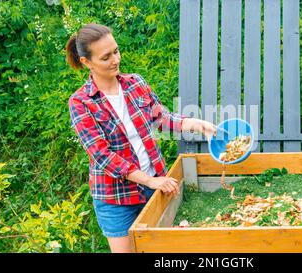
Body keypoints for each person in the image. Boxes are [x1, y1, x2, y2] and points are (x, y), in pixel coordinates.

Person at [65, 23, 216, 253]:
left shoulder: (135, 83)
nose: (115, 60)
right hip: (115, 198)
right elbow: (103, 156)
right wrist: (149, 180)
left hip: (154, 186)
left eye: (116, 51)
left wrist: (195, 124)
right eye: (105, 57)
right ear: (87, 62)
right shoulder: (80, 103)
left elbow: (161, 118)